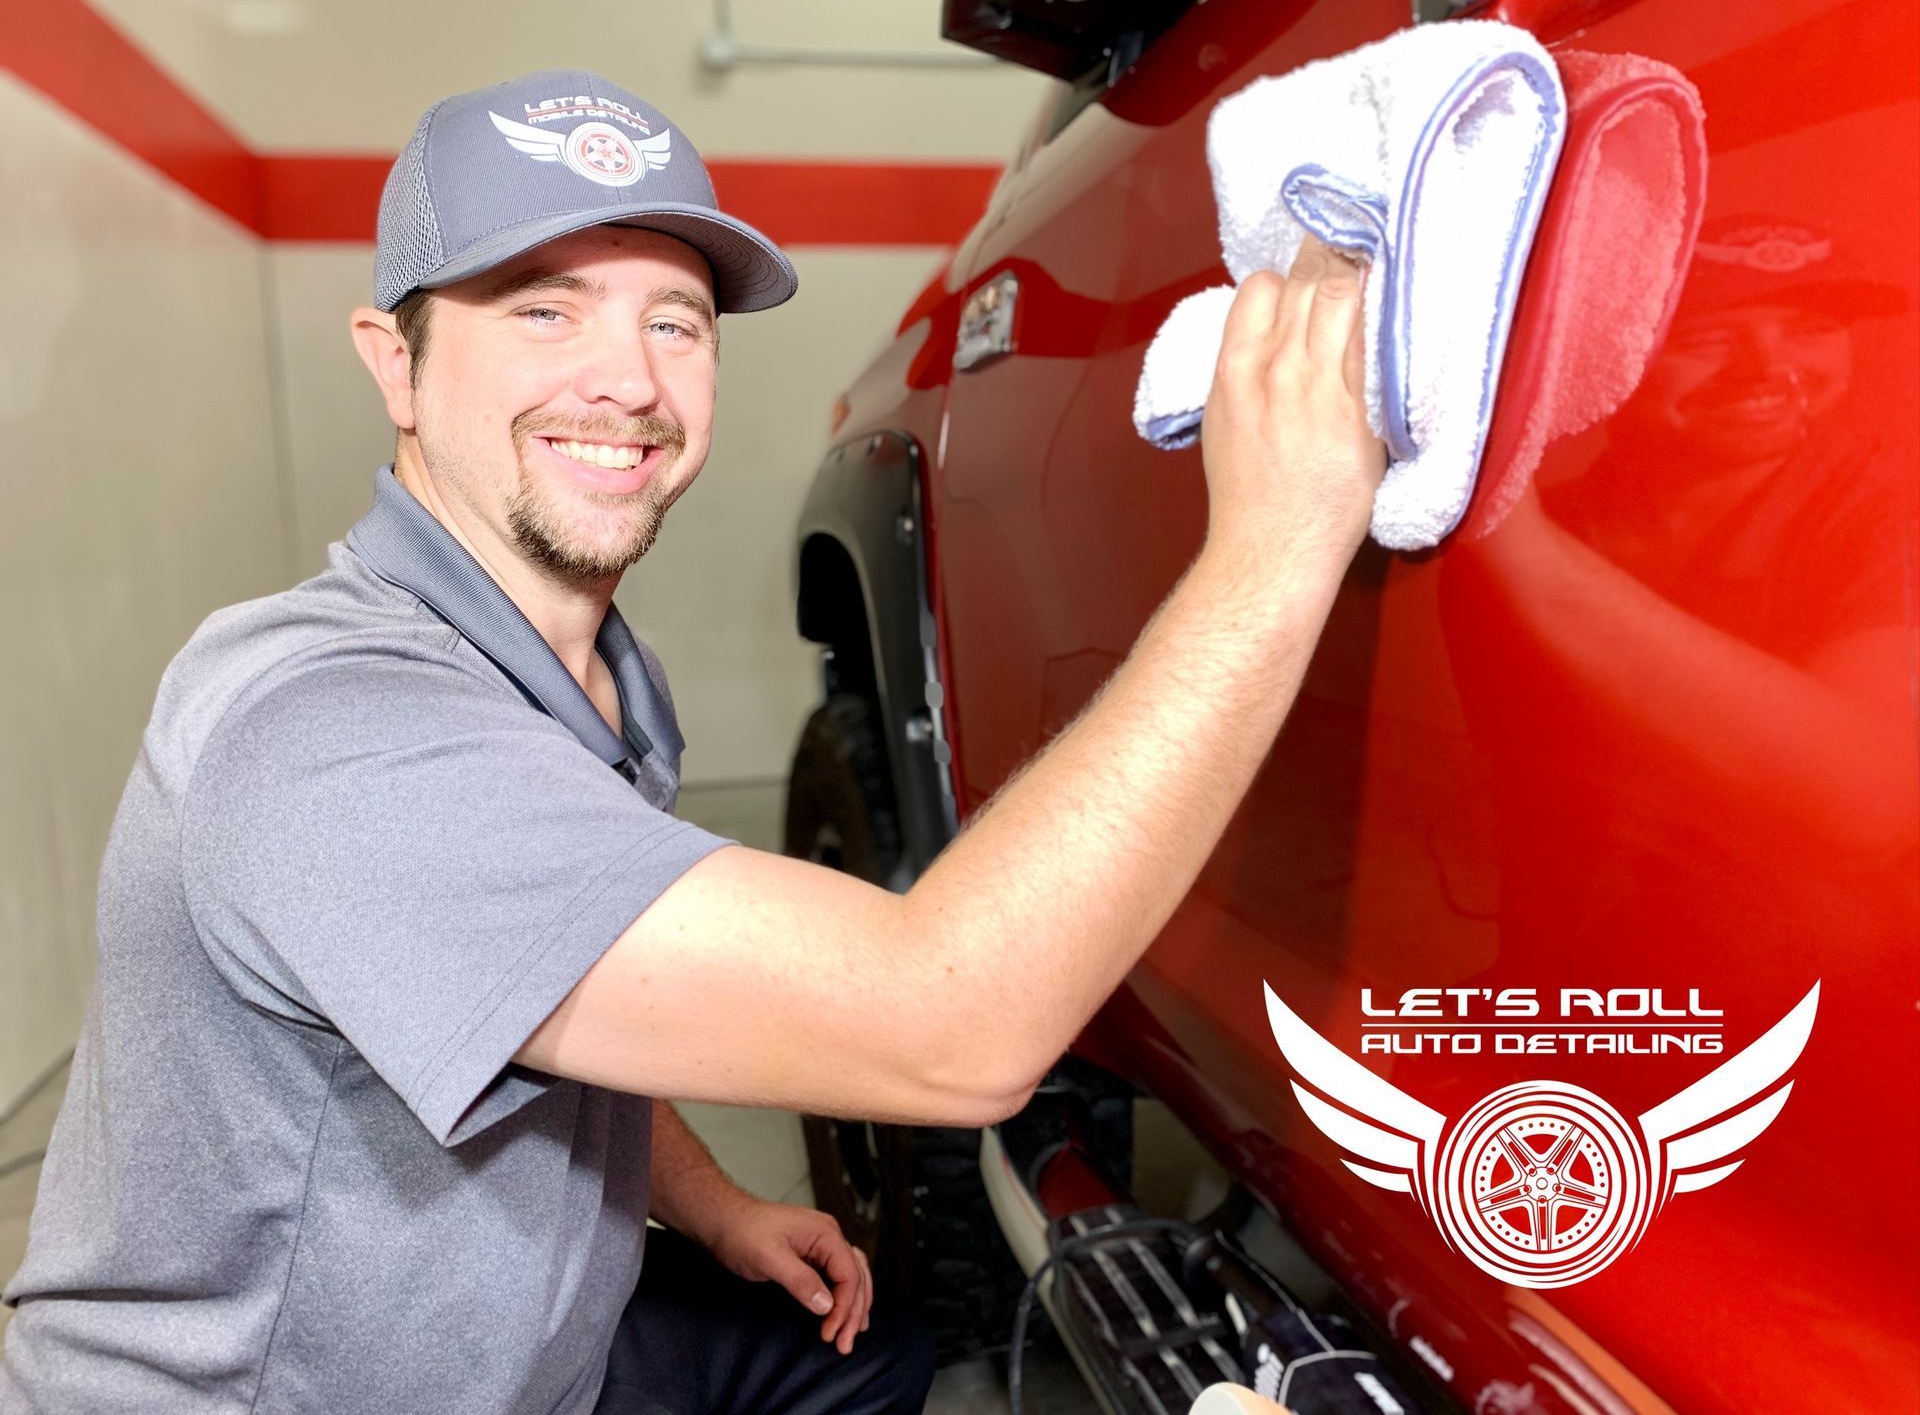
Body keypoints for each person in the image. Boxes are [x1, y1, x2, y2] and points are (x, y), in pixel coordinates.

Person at [0, 69, 1383, 1414]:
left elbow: (566, 986)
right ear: (396, 364)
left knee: (866, 1348)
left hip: (535, 1348)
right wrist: (1276, 536)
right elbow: (956, 1024)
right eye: (543, 309)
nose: (629, 380)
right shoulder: (334, 733)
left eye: (676, 320)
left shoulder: (585, 670)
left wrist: (715, 1205)